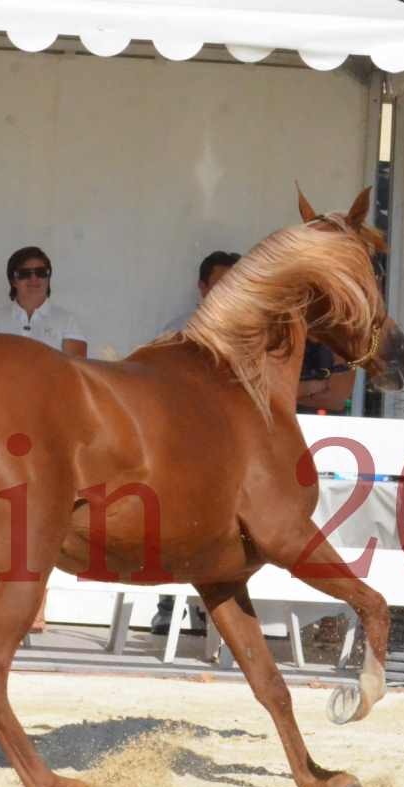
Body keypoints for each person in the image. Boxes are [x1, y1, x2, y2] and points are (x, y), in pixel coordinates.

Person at [148, 251, 242, 636]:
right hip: (184, 440)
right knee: (179, 520)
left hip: (233, 444)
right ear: (202, 288)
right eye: (220, 284)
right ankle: (169, 606)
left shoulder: (255, 332)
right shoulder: (179, 329)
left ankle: (215, 607)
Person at [0, 246, 87, 357]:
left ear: (48, 278)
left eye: (41, 272)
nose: (33, 278)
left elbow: (76, 370)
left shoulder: (67, 322)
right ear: (13, 281)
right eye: (24, 273)